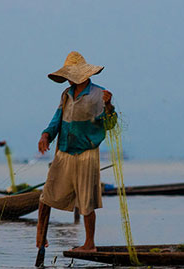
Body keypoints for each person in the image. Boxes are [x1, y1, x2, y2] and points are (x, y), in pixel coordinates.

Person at [36, 51, 116, 252]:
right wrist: (46, 135)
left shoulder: (99, 94)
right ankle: (41, 236)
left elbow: (110, 124)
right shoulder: (66, 95)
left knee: (86, 201)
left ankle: (90, 244)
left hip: (86, 153)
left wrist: (108, 106)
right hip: (64, 151)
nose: (68, 79)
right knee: (46, 196)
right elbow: (57, 119)